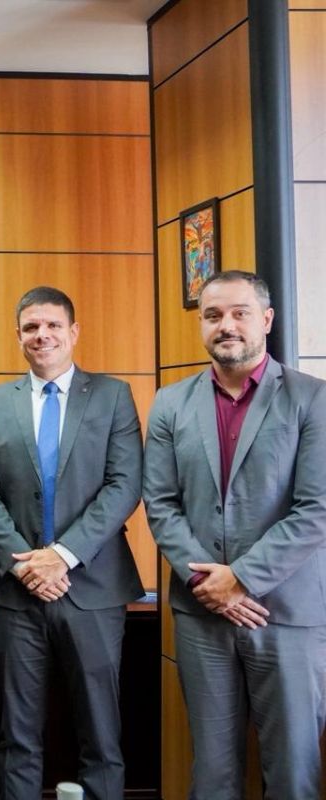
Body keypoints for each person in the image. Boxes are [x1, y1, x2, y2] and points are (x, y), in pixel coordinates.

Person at [144, 270, 326, 798]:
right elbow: (161, 503)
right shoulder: (171, 403)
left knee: (293, 773)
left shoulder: (312, 398)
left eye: (240, 313)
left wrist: (241, 579)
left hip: (286, 614)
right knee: (213, 773)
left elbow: (316, 508)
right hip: (202, 615)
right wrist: (212, 585)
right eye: (213, 315)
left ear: (266, 319)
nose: (226, 325)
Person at [0, 286, 144, 800]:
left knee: (101, 734)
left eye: (52, 325)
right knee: (17, 734)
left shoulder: (112, 396)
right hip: (17, 591)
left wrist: (61, 557)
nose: (41, 335)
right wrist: (27, 565)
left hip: (93, 588)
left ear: (73, 332)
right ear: (18, 336)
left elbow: (124, 485)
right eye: (30, 327)